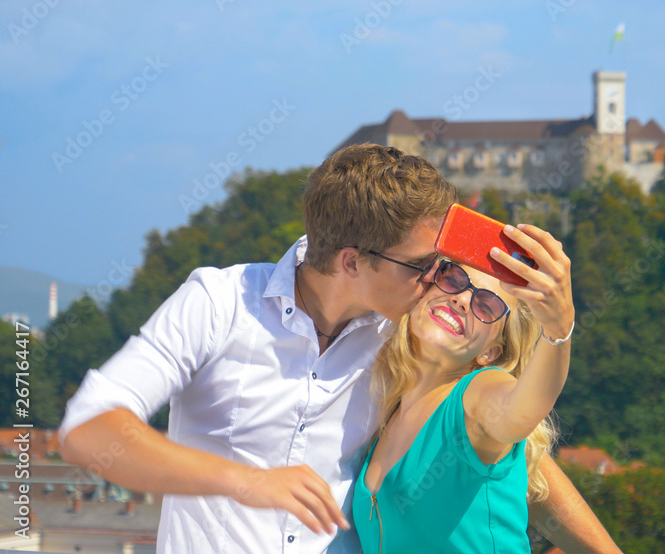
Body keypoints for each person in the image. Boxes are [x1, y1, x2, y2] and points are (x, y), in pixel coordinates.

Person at [59, 143, 620, 553]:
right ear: (352, 261)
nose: (438, 284)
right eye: (428, 268)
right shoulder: (219, 303)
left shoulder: (406, 335)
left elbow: (517, 442)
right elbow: (90, 430)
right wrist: (244, 481)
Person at [352, 222, 573, 552]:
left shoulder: (477, 394)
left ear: (491, 352)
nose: (462, 301)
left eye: (487, 306)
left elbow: (522, 411)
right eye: (454, 279)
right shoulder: (384, 412)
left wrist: (558, 328)